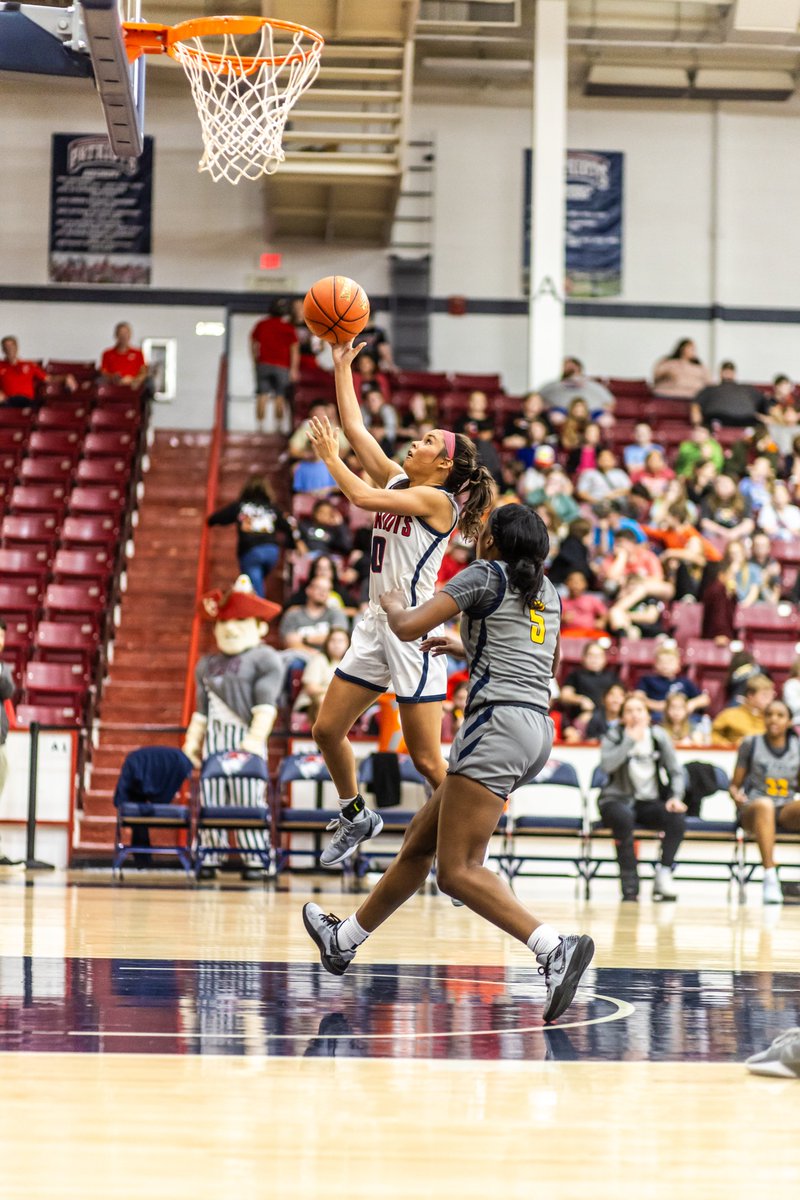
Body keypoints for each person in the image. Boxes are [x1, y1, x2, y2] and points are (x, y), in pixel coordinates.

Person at [302, 505, 595, 1023]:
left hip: (495, 728)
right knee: (419, 841)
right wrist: (469, 644)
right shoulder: (548, 590)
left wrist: (393, 602)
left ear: (494, 543)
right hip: (536, 730)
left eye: (483, 533)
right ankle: (343, 940)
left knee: (457, 873)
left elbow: (410, 624)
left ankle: (553, 947)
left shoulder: (483, 574)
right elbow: (547, 662)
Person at [304, 338, 496, 868]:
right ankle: (355, 813)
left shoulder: (437, 501)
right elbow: (359, 427)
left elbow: (361, 498)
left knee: (431, 762)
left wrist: (330, 458)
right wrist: (342, 367)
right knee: (326, 730)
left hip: (411, 626)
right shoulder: (400, 479)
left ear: (445, 464)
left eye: (429, 440)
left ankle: (472, 857)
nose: (417, 441)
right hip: (374, 622)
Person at [598, 693, 688, 901]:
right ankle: (630, 884)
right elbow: (607, 766)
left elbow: (676, 771)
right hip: (616, 800)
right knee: (623, 817)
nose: (635, 715)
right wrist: (629, 740)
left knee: (676, 817)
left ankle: (664, 874)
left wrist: (675, 796)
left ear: (648, 716)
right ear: (622, 717)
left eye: (640, 710)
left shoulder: (658, 736)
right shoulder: (615, 736)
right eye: (629, 711)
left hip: (648, 802)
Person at [730, 699, 800, 904]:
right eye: (769, 714)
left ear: (788, 721)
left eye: (780, 715)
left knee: (775, 806)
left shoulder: (797, 747)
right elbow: (735, 784)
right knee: (765, 804)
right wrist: (735, 795)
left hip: (784, 808)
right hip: (754, 809)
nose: (773, 719)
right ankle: (770, 876)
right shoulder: (751, 744)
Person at [207, 476, 296, 599]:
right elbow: (288, 526)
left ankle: (258, 613)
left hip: (251, 551)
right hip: (271, 551)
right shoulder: (272, 508)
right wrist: (291, 545)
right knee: (256, 580)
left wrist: (210, 521)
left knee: (253, 588)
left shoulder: (240, 506)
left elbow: (215, 519)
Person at [112, 746, 194, 865]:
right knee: (136, 803)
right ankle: (143, 859)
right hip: (140, 804)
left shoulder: (133, 760)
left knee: (135, 806)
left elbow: (120, 797)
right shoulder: (180, 760)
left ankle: (142, 860)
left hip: (136, 808)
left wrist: (121, 803)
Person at [250, 298, 299, 433]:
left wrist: (255, 360)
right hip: (282, 366)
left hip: (263, 364)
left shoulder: (261, 324)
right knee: (280, 396)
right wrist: (293, 369)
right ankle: (278, 426)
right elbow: (294, 350)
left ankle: (260, 427)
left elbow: (253, 343)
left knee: (262, 395)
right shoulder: (288, 327)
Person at [279, 575, 350, 664]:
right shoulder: (293, 614)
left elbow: (338, 638)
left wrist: (305, 639)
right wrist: (312, 654)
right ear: (308, 590)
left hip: (330, 660)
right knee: (294, 662)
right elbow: (290, 642)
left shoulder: (336, 613)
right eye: (319, 588)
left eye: (327, 589)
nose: (323, 592)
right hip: (301, 657)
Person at [636, 643, 709, 721]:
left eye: (670, 661)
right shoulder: (647, 679)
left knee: (702, 720)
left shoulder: (684, 681)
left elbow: (705, 699)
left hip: (683, 717)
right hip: (658, 716)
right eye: (662, 662)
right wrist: (659, 706)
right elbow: (638, 697)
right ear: (655, 664)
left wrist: (690, 704)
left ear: (678, 665)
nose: (666, 665)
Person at [294, 628, 352, 726]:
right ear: (327, 643)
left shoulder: (351, 663)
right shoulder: (318, 659)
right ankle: (324, 736)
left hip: (341, 702)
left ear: (348, 644)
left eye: (340, 641)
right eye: (333, 640)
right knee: (323, 699)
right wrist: (336, 694)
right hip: (311, 703)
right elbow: (311, 688)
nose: (336, 644)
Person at [0, 335, 76, 406]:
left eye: (11, 346)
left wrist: (65, 377)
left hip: (26, 400)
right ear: (3, 349)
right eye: (6, 346)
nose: (9, 349)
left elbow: (48, 378)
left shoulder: (29, 365)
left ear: (16, 347)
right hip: (7, 401)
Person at [690, 361, 769, 428]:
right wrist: (697, 423)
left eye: (730, 371)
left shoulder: (747, 388)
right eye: (725, 371)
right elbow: (696, 405)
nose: (728, 373)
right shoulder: (710, 389)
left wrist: (770, 418)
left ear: (734, 373)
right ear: (720, 372)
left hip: (747, 420)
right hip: (718, 418)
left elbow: (766, 403)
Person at [539, 356, 614, 421]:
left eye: (573, 367)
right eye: (567, 368)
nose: (571, 370)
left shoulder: (594, 385)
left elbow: (610, 403)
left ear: (580, 369)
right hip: (563, 413)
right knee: (556, 417)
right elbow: (538, 400)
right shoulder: (553, 386)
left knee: (606, 420)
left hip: (592, 414)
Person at [712, 674, 775, 746]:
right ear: (751, 696)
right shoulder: (730, 715)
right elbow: (713, 735)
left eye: (771, 696)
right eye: (765, 695)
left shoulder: (773, 719)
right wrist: (729, 746)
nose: (769, 700)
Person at [99, 322, 149, 389]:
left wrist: (135, 380)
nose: (123, 336)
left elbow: (143, 371)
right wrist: (113, 377)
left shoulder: (138, 353)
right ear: (116, 335)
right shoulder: (107, 353)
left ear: (130, 335)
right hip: (113, 386)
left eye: (125, 333)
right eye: (121, 333)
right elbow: (103, 372)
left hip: (134, 386)